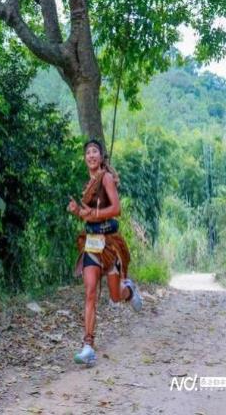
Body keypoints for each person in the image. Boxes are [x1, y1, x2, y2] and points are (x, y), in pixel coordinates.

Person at [67, 139, 142, 366]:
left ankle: (129, 290)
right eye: (88, 152)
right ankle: (88, 346)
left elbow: (116, 209)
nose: (91, 155)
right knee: (90, 292)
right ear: (85, 158)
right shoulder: (88, 185)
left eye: (95, 152)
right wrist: (77, 211)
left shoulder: (106, 178)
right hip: (91, 243)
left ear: (101, 157)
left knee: (115, 296)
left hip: (109, 244)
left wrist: (93, 214)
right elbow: (88, 215)